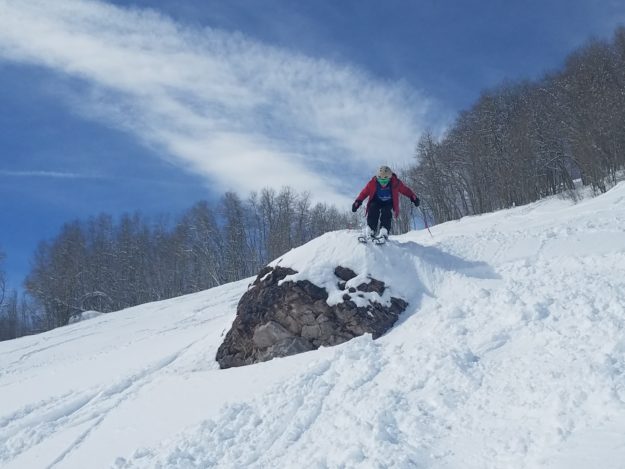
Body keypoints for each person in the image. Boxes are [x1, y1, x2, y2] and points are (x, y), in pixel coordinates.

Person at [352, 165, 420, 240]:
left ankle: (384, 232)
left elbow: (405, 190)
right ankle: (370, 230)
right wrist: (357, 202)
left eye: (385, 181)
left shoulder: (395, 183)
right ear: (377, 179)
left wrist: (413, 197)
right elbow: (364, 193)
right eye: (381, 181)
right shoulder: (372, 183)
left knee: (386, 211)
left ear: (390, 179)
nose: (383, 183)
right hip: (376, 201)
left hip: (388, 203)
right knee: (372, 207)